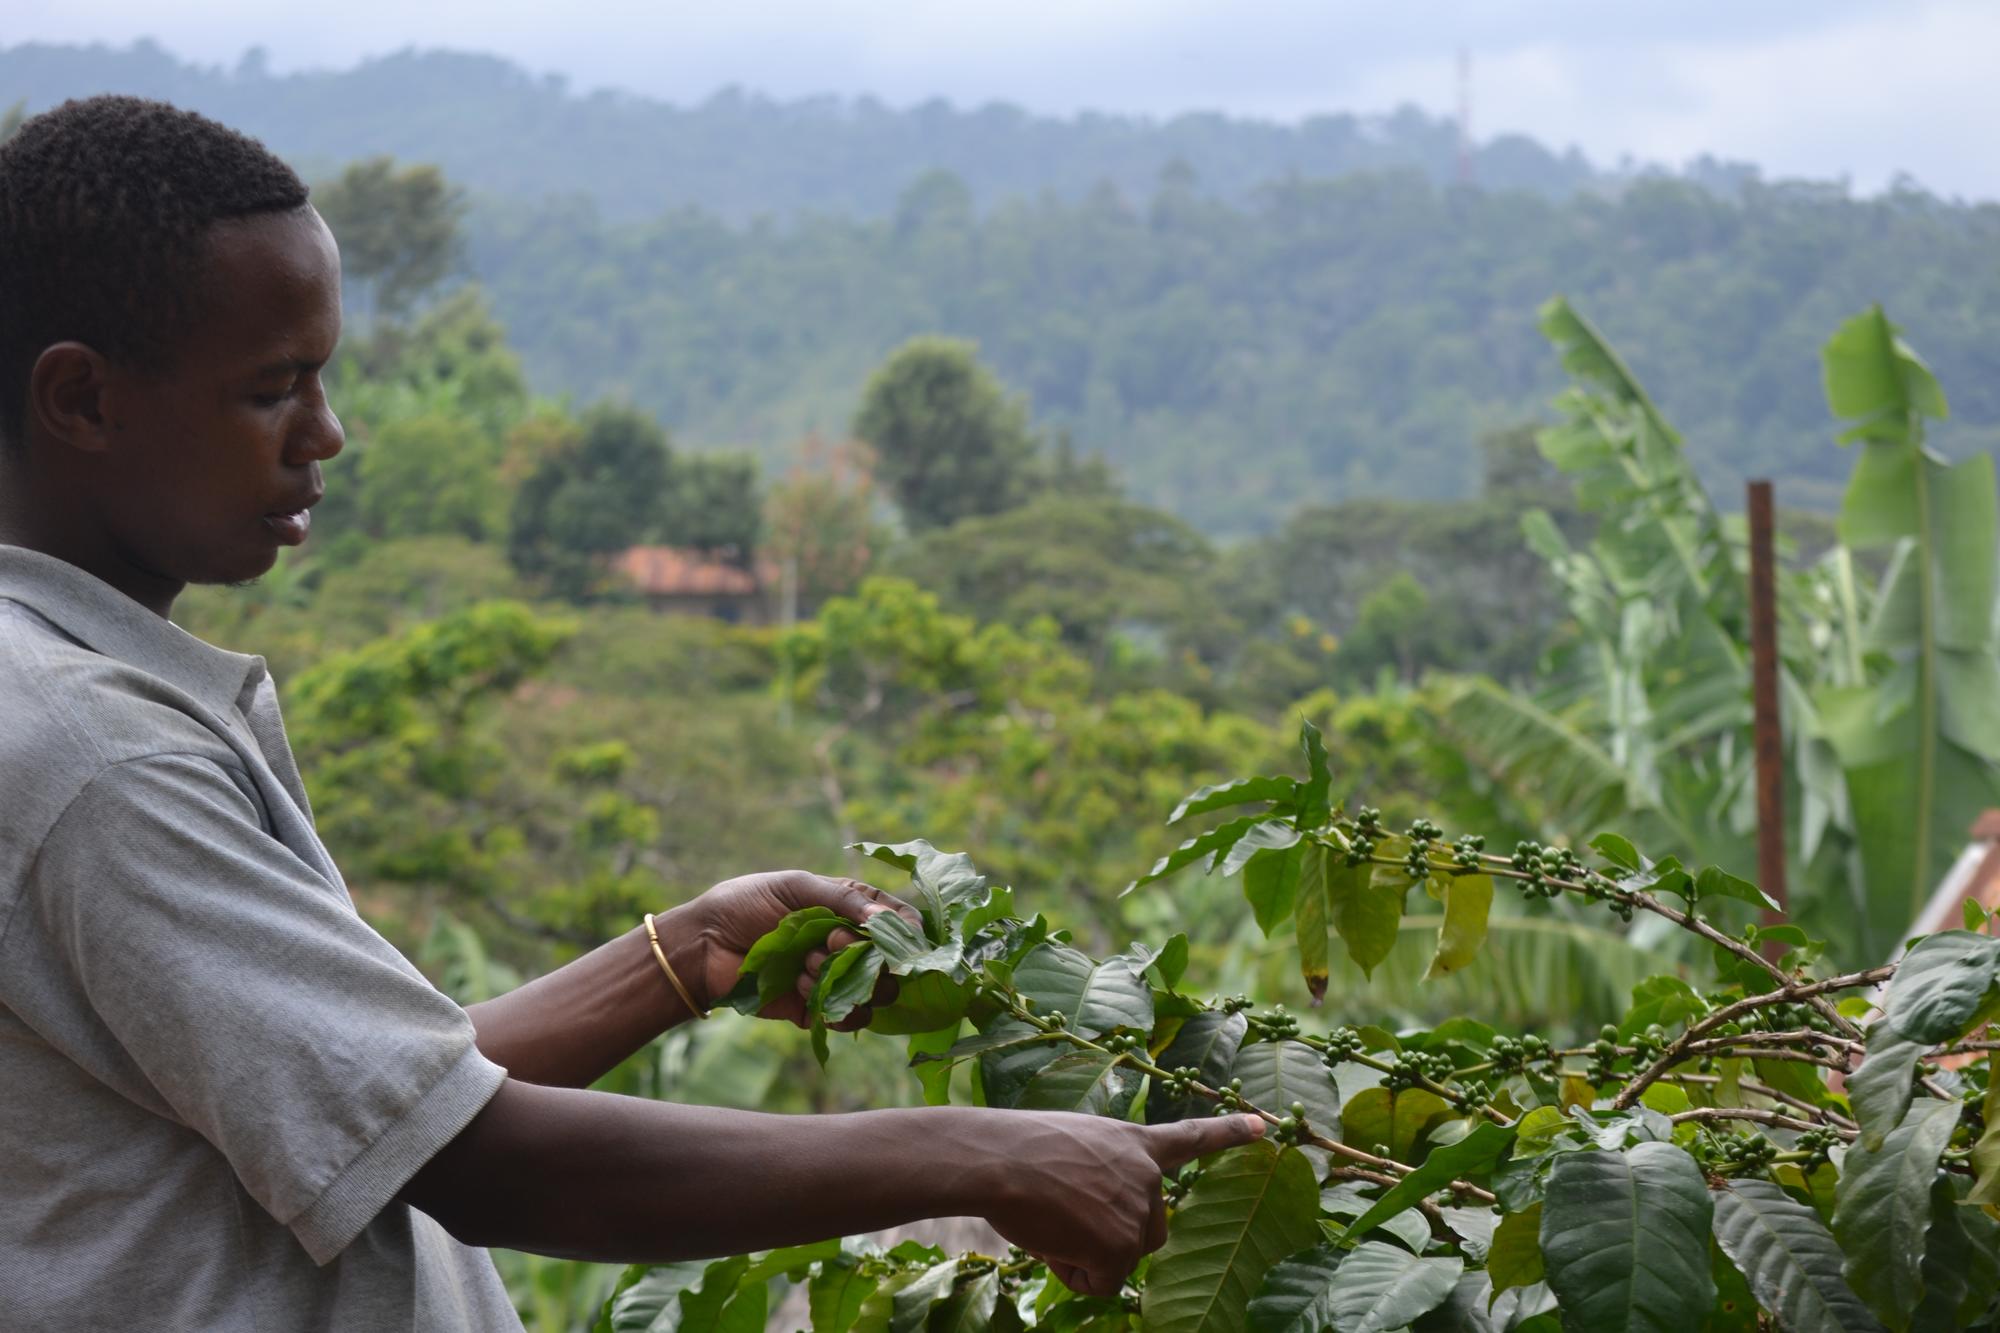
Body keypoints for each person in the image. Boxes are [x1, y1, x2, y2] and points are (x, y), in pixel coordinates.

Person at [0, 96, 1262, 1331]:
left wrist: (683, 957)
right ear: (85, 401)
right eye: (273, 387)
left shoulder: (59, 696)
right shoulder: (97, 759)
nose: (325, 434)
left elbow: (371, 1100)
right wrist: (982, 1153)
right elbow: (477, 1161)